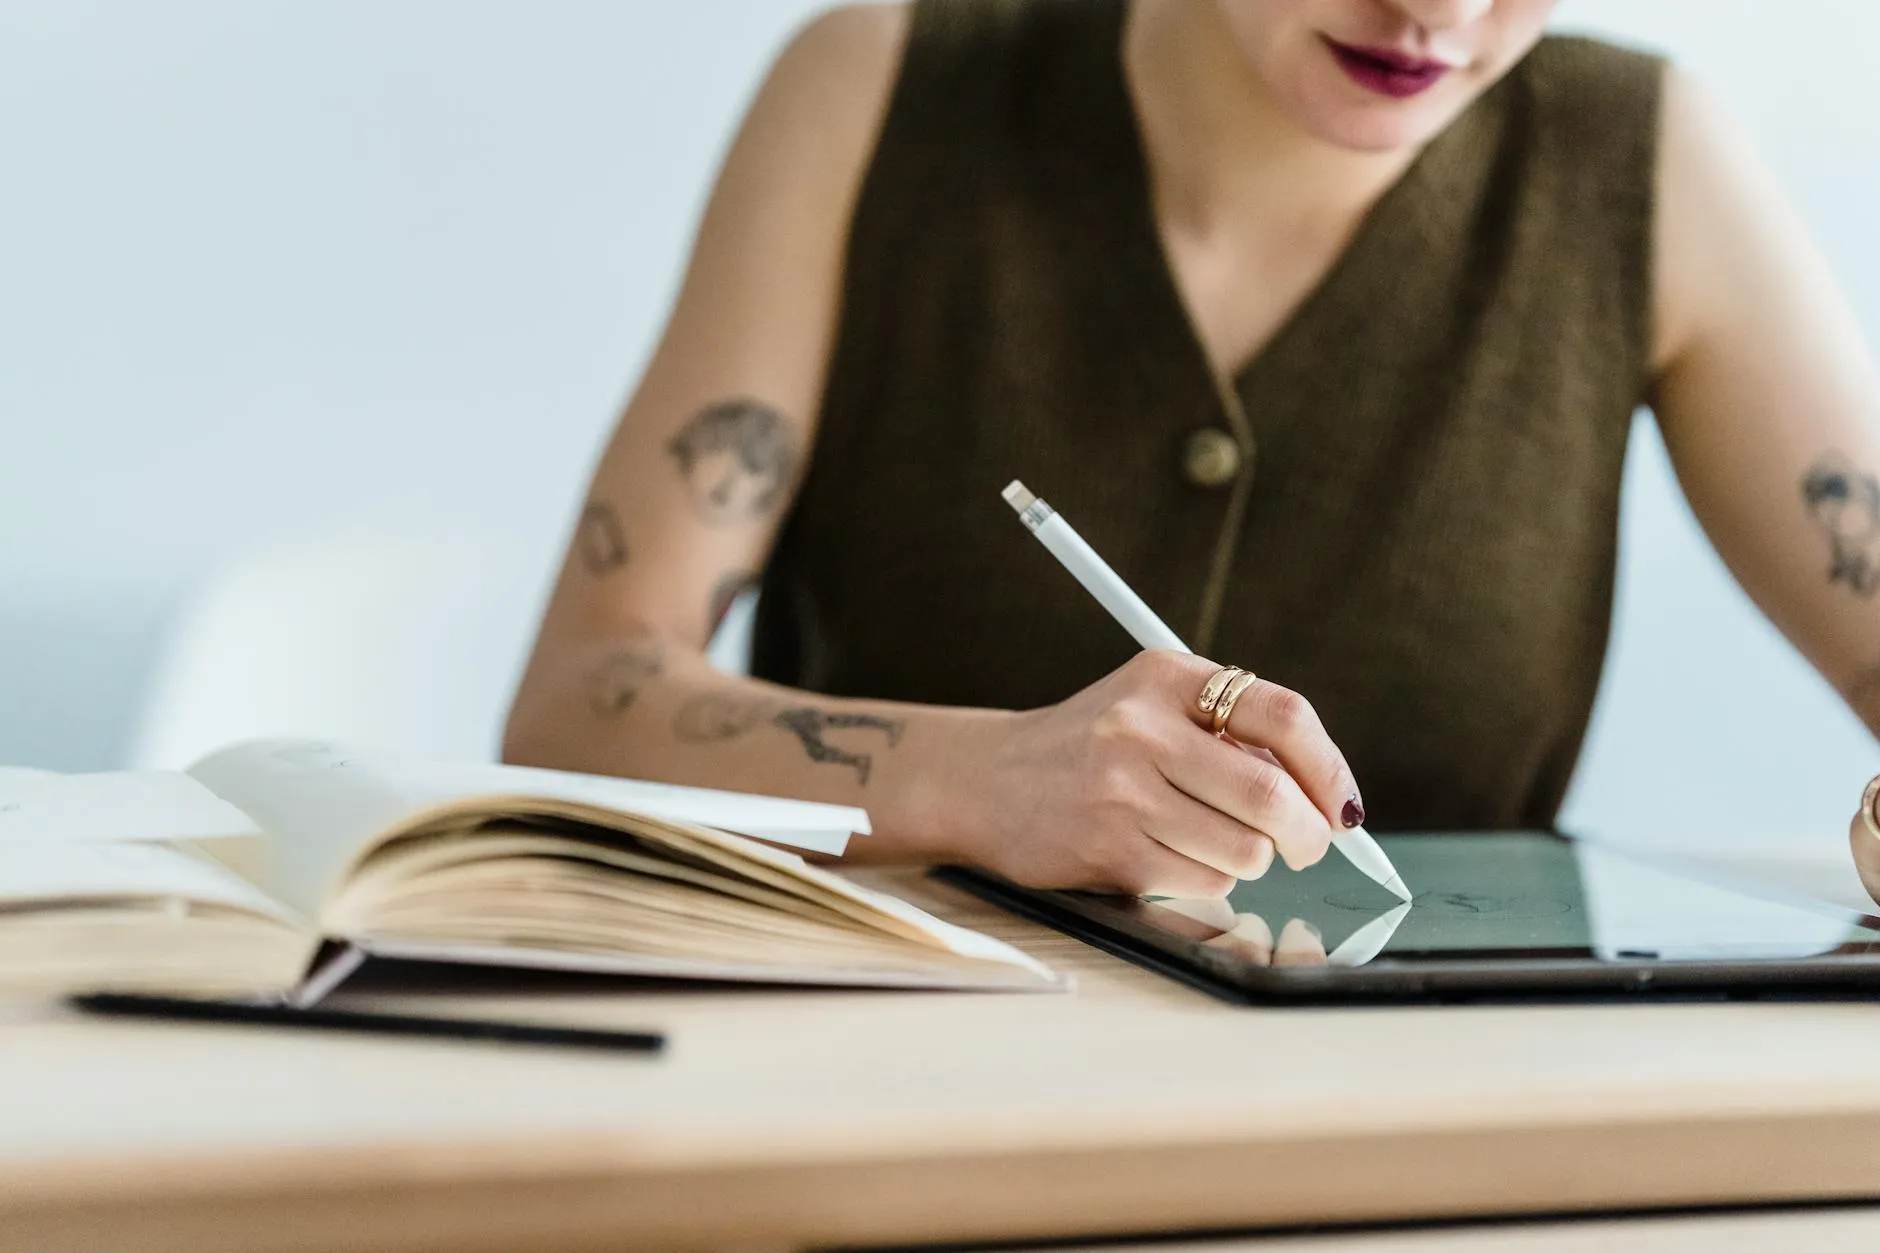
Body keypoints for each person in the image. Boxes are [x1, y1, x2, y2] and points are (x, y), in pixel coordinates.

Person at [505, 0, 1880, 909]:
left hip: (1425, 1125)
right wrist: (983, 782)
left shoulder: (1640, 159)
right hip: (888, 1101)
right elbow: (577, 702)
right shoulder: (885, 88)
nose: (1436, 13)